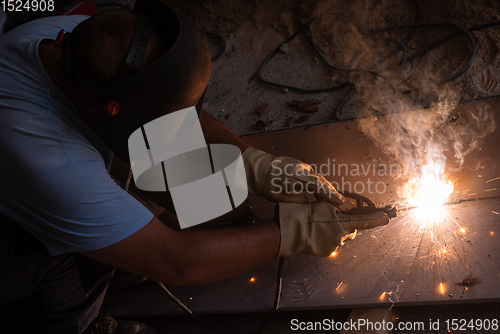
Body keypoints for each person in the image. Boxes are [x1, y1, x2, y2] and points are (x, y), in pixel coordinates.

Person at [0, 3, 389, 334]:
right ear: (103, 111)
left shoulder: (81, 39)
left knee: (173, 169)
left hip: (45, 170)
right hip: (14, 242)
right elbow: (177, 262)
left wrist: (254, 165)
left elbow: (171, 114)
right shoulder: (52, 165)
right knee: (79, 261)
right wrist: (292, 234)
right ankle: (80, 323)